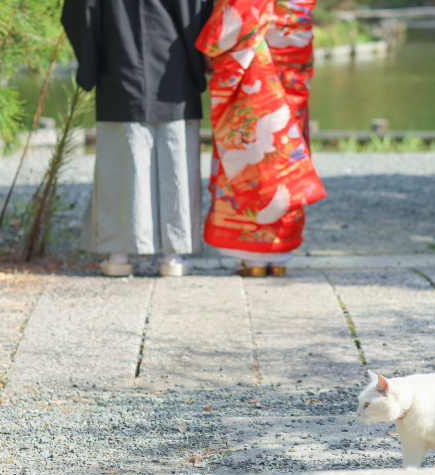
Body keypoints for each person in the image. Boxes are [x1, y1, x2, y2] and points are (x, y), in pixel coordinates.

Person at [62, 0, 214, 277]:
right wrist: (200, 63)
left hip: (119, 68)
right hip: (175, 74)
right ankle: (173, 256)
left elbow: (79, 11)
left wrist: (91, 62)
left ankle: (118, 255)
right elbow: (198, 12)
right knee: (176, 165)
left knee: (121, 166)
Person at [195, 0, 324, 276]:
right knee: (289, 151)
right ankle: (280, 255)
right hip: (294, 64)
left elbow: (241, 12)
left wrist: (207, 48)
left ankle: (253, 258)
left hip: (262, 66)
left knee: (252, 152)